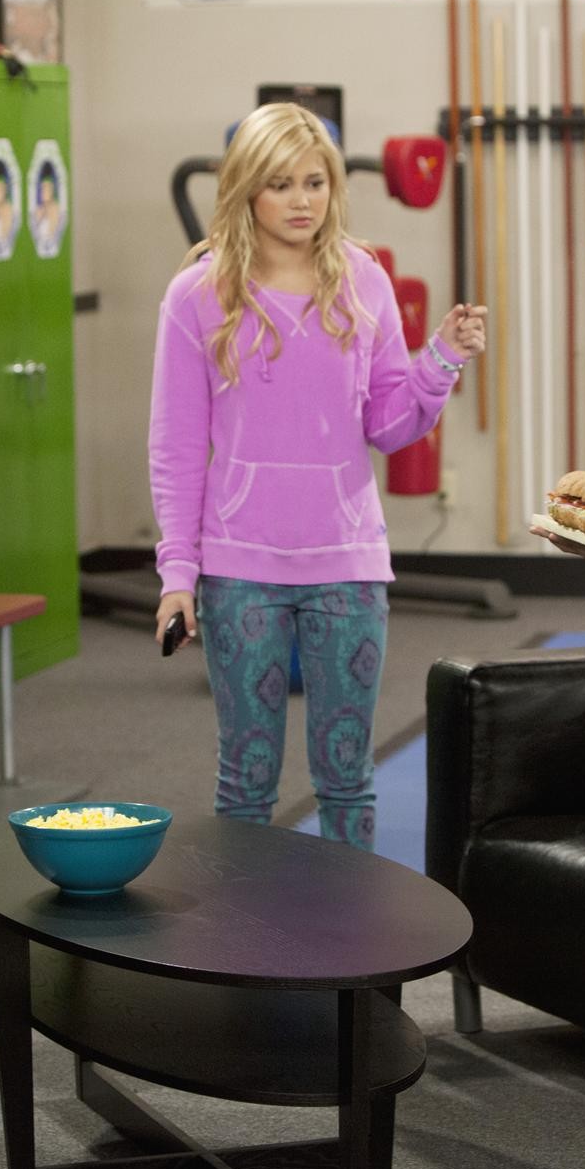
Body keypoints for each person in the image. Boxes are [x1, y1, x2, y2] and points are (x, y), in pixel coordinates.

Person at [147, 102, 486, 850]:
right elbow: (175, 447)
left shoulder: (363, 281)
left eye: (315, 183)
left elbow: (388, 425)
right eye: (281, 185)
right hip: (240, 570)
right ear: (246, 190)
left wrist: (440, 360)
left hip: (347, 566)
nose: (302, 201)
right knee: (246, 782)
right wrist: (178, 575)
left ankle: (349, 928)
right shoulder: (196, 295)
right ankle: (245, 926)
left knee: (347, 779)